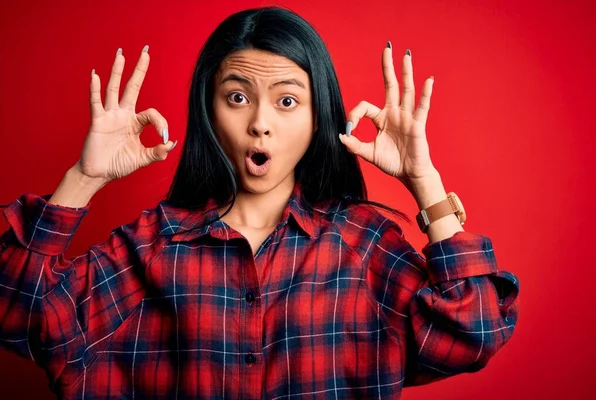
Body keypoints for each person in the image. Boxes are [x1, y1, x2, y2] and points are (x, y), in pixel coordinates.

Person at [0, 6, 520, 400]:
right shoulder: (154, 245)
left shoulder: (362, 246)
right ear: (210, 109)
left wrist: (424, 180)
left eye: (287, 100)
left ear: (320, 116)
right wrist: (84, 177)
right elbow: (24, 317)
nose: (260, 123)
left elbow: (473, 331)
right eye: (238, 97)